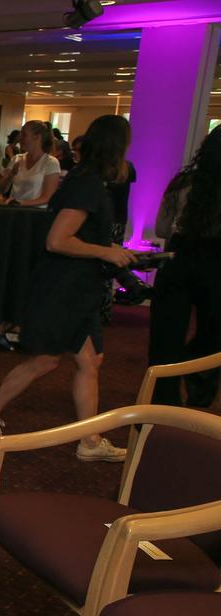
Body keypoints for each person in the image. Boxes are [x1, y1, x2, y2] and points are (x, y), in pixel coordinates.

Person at [0, 115, 138, 462]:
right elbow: (57, 240)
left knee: (91, 362)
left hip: (80, 288)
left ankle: (89, 440)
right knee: (46, 360)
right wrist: (106, 250)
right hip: (62, 288)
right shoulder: (87, 185)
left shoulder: (89, 181)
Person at [148, 124, 221, 406]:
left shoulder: (182, 182)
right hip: (216, 266)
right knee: (212, 336)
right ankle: (199, 396)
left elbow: (163, 229)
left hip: (177, 261)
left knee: (165, 337)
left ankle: (162, 401)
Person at [0, 119, 60, 207]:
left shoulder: (51, 162)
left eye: (24, 135)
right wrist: (11, 174)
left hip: (34, 214)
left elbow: (48, 197)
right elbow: (2, 189)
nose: (20, 138)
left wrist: (21, 203)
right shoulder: (17, 159)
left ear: (37, 137)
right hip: (14, 210)